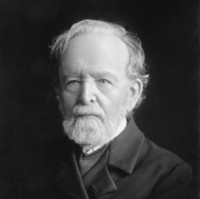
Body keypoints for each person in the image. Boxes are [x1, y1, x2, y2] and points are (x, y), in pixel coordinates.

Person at [3, 19, 191, 199]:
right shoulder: (29, 164)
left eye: (103, 81)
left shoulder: (169, 175)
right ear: (58, 92)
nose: (85, 97)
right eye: (73, 82)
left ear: (133, 93)